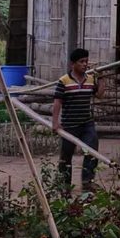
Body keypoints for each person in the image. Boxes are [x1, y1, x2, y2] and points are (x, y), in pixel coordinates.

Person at [51, 48, 101, 191]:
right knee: (66, 156)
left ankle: (87, 181)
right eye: (81, 62)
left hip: (87, 123)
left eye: (86, 61)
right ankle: (65, 183)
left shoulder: (90, 79)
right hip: (69, 125)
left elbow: (100, 95)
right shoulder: (64, 81)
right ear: (72, 64)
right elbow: (57, 102)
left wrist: (102, 79)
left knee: (92, 151)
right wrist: (55, 122)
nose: (85, 64)